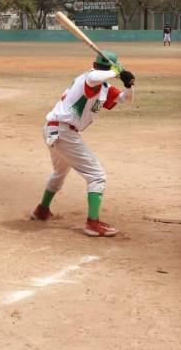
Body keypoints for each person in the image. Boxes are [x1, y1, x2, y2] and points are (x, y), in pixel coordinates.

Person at [31, 51, 136, 237]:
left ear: (95, 63)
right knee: (97, 176)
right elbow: (94, 77)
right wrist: (117, 71)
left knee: (59, 172)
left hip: (55, 130)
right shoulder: (89, 77)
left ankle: (42, 210)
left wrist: (128, 84)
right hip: (63, 132)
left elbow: (126, 99)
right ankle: (92, 224)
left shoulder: (104, 86)